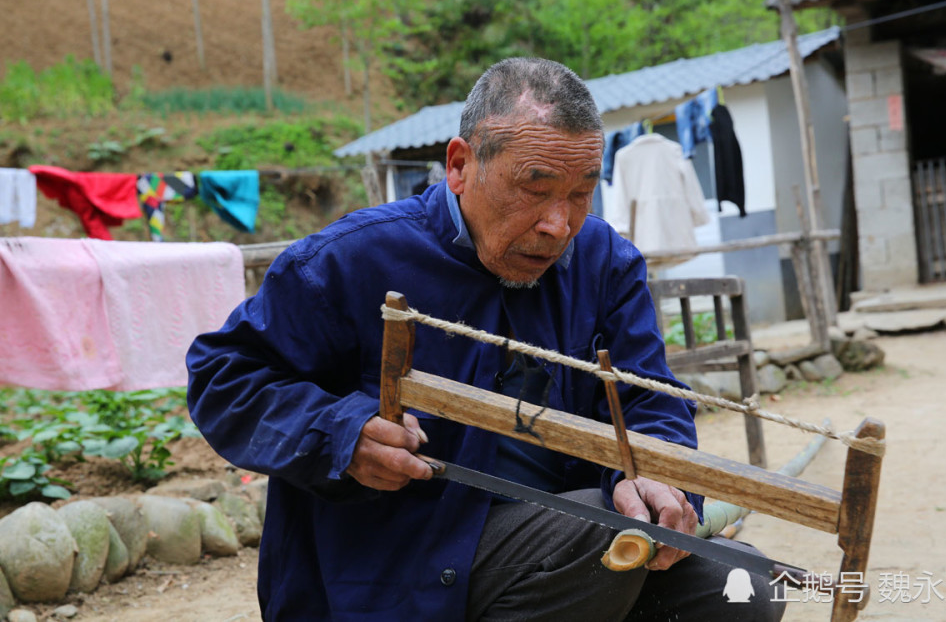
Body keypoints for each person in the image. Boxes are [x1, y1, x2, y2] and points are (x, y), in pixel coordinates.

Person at [187, 57, 784, 621]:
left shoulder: (605, 264)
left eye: (580, 193)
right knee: (601, 537)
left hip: (560, 551)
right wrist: (341, 434)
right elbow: (224, 376)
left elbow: (649, 397)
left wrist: (657, 475)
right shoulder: (352, 259)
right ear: (459, 165)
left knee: (745, 586)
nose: (558, 225)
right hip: (401, 563)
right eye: (534, 185)